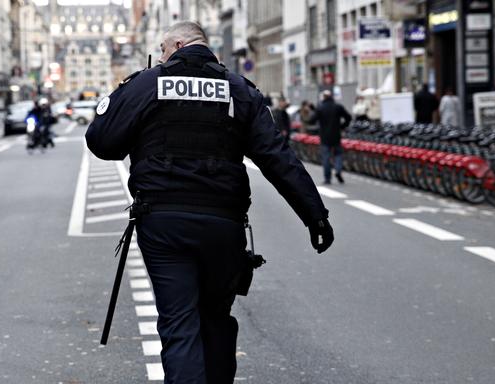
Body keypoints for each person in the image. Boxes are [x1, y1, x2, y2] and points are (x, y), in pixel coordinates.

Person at [85, 21, 333, 383]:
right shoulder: (239, 89)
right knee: (215, 319)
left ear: (178, 44)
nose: (162, 55)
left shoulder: (148, 83)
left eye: (164, 48)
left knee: (178, 323)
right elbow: (277, 158)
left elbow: (101, 141)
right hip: (223, 225)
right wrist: (315, 215)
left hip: (163, 223)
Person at [306, 90, 351, 185]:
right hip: (336, 135)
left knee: (326, 157)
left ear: (323, 97)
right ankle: (338, 171)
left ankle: (327, 178)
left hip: (325, 137)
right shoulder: (338, 107)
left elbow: (311, 120)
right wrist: (342, 126)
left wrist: (312, 112)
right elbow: (348, 117)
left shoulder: (320, 108)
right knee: (338, 154)